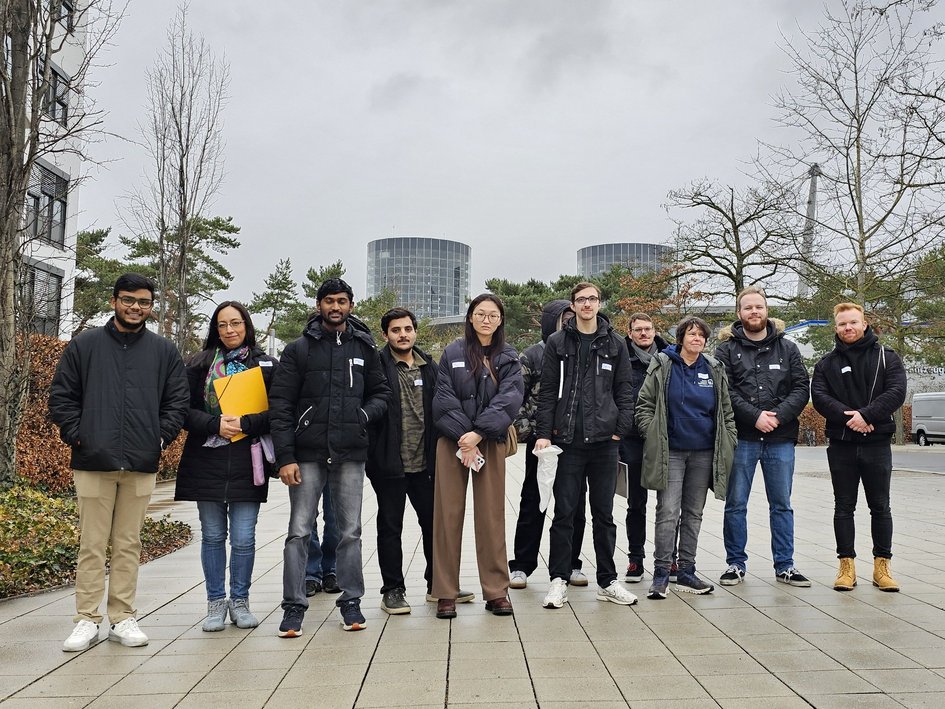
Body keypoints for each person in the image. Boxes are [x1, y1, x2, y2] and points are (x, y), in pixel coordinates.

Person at [50, 273, 189, 652]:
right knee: (92, 544)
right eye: (128, 299)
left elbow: (177, 402)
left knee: (128, 543)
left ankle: (122, 616)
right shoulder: (85, 345)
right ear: (114, 301)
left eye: (143, 302)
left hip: (141, 462)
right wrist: (80, 435)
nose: (135, 307)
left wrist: (159, 438)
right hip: (93, 460)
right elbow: (62, 397)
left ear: (151, 307)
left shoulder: (163, 352)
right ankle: (86, 619)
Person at [269, 278, 391, 635]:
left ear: (350, 305)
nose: (335, 307)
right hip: (306, 454)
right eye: (328, 301)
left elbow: (381, 392)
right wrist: (285, 457)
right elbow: (281, 405)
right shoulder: (298, 350)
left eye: (341, 301)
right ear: (319, 305)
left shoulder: (365, 347)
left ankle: (351, 601)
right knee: (298, 531)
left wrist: (363, 416)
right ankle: (293, 607)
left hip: (350, 454)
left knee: (350, 530)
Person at [174, 301, 278, 631]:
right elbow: (183, 411)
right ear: (215, 329)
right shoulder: (198, 364)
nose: (229, 330)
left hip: (249, 461)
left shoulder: (266, 365)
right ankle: (215, 603)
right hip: (207, 458)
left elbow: (279, 411)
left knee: (245, 538)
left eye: (235, 323)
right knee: (214, 535)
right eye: (222, 325)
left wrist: (247, 423)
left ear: (247, 325)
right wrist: (214, 424)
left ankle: (241, 600)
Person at [535, 282, 639, 610]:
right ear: (573, 305)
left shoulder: (616, 343)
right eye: (581, 300)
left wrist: (620, 430)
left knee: (604, 515)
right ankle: (558, 580)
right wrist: (544, 433)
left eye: (593, 299)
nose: (587, 305)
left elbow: (625, 389)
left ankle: (607, 581)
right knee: (564, 513)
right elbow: (548, 390)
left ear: (599, 303)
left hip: (604, 444)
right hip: (567, 442)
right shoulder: (557, 342)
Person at [367, 307, 474, 613]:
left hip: (425, 464)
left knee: (433, 525)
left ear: (415, 331)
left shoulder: (430, 366)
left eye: (408, 329)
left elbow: (445, 404)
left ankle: (437, 585)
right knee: (390, 526)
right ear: (385, 335)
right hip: (389, 463)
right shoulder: (377, 366)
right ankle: (393, 589)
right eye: (396, 330)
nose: (403, 335)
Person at [431, 294, 524, 619]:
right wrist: (463, 435)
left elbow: (511, 398)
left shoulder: (509, 356)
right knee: (447, 515)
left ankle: (497, 591)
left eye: (493, 315)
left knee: (491, 517)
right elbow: (442, 396)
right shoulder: (453, 352)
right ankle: (445, 592)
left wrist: (479, 433)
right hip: (453, 442)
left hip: (489, 441)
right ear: (470, 317)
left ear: (500, 320)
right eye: (480, 314)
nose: (487, 319)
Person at [715, 287, 811, 588]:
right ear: (739, 313)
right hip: (741, 438)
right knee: (736, 503)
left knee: (781, 504)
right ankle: (735, 563)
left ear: (767, 310)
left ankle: (785, 565)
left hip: (780, 439)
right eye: (747, 308)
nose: (753, 312)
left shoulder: (789, 348)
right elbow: (724, 391)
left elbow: (801, 389)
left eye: (758, 306)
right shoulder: (725, 351)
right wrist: (754, 416)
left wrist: (778, 416)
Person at [637, 316, 736, 599]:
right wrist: (652, 433)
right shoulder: (663, 363)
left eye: (701, 335)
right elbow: (644, 404)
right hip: (671, 451)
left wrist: (729, 439)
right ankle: (661, 573)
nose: (697, 339)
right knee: (667, 512)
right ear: (680, 338)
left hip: (704, 452)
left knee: (693, 513)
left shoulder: (714, 368)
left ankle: (687, 571)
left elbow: (726, 411)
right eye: (691, 334)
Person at [811, 303, 906, 592]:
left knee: (880, 506)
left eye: (853, 322)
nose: (848, 328)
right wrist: (851, 419)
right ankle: (846, 566)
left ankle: (882, 566)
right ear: (836, 328)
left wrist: (867, 415)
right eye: (842, 324)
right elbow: (820, 397)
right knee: (843, 507)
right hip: (842, 445)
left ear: (865, 324)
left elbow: (896, 391)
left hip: (877, 443)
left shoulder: (887, 358)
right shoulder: (825, 364)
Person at [508, 300, 588, 590]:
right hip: (541, 442)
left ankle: (571, 563)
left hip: (576, 441)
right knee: (533, 502)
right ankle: (521, 565)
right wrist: (530, 432)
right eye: (565, 318)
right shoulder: (531, 355)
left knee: (575, 505)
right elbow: (516, 396)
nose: (570, 322)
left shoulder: (582, 351)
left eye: (573, 317)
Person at [620, 312, 670, 584]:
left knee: (669, 504)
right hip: (631, 439)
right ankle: (635, 559)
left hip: (663, 439)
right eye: (638, 329)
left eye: (648, 328)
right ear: (629, 333)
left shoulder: (668, 358)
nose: (643, 333)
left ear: (654, 330)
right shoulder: (621, 360)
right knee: (636, 504)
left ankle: (669, 558)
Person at [304, 488, 340, 595]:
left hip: (336, 471)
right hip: (306, 471)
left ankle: (330, 569)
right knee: (307, 518)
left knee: (334, 519)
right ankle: (311, 572)